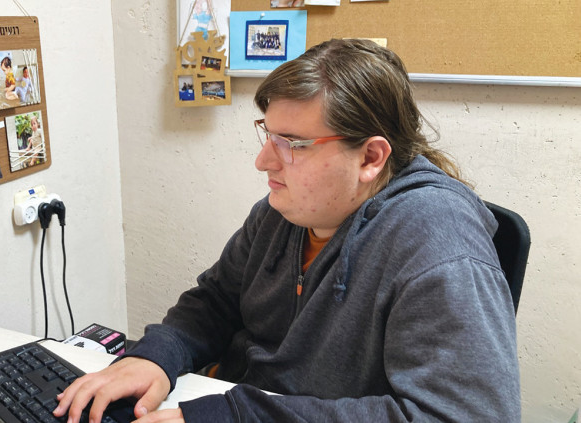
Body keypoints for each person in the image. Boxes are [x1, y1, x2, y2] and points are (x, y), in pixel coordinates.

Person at [54, 39, 521, 422]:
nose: (264, 161)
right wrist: (156, 355)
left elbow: (465, 416)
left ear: (371, 157)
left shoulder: (439, 246)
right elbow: (217, 300)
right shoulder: (284, 212)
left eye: (292, 144)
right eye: (268, 135)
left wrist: (233, 417)